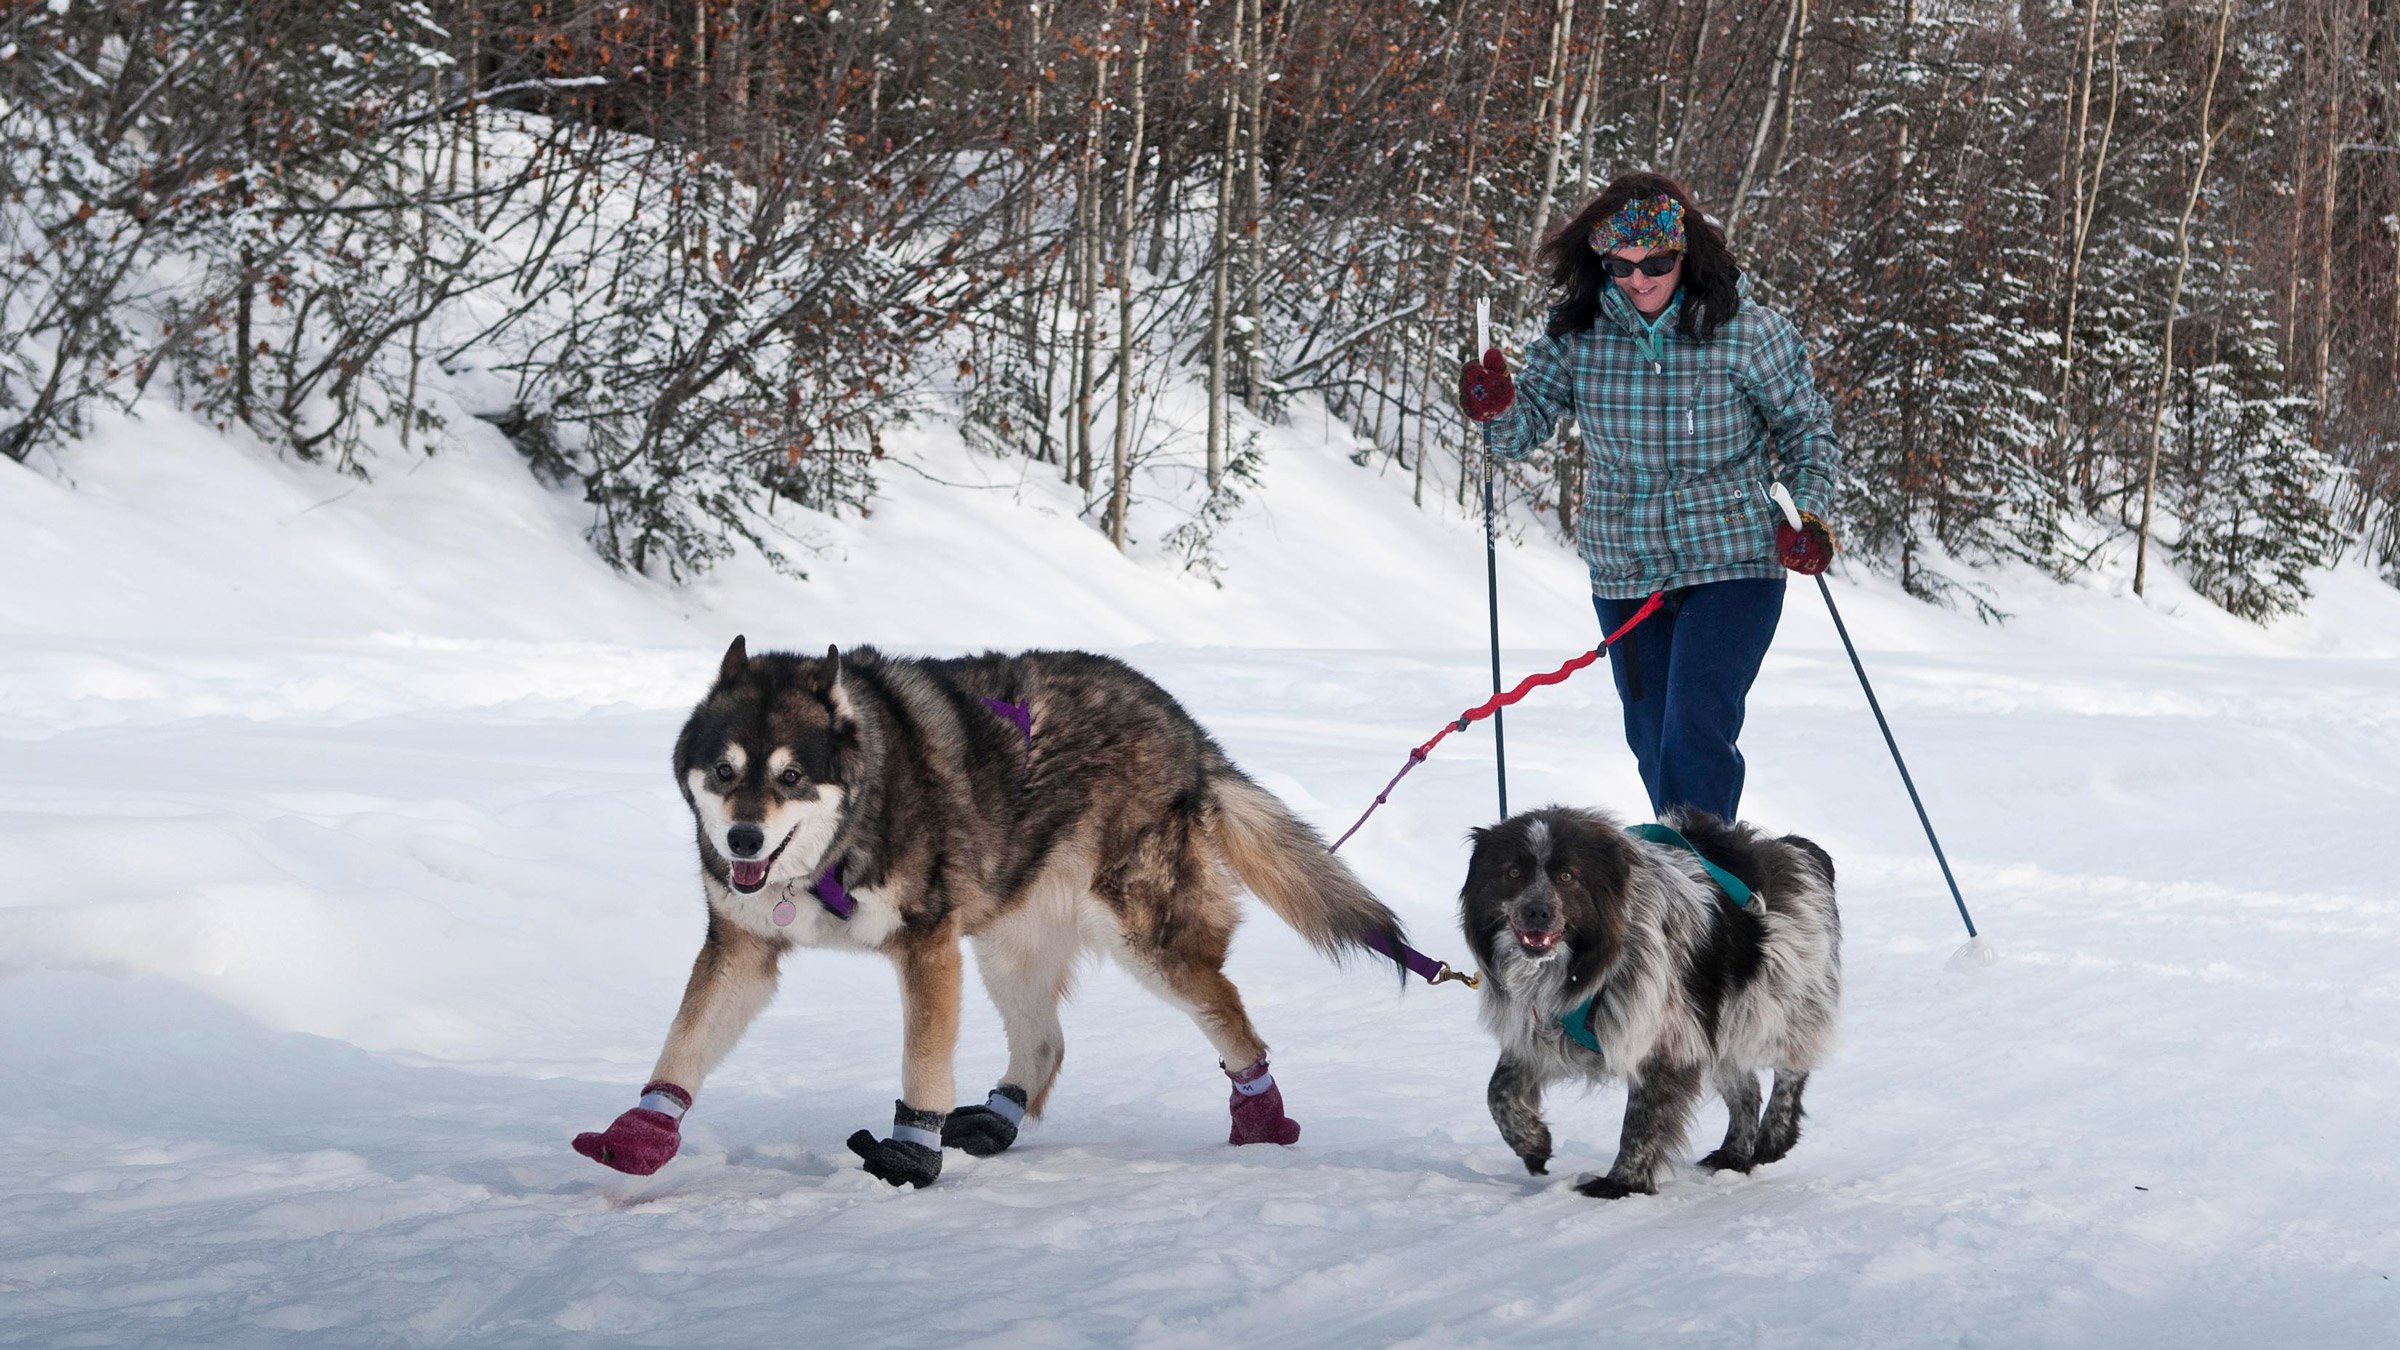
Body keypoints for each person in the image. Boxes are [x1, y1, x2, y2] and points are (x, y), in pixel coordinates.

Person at [1459, 172, 1840, 825]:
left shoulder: (1750, 333)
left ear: (1686, 254)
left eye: (1656, 263)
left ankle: (1708, 892)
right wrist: (1495, 408)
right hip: (1625, 567)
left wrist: (1807, 515)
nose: (1639, 279)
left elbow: (1807, 432)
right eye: (1620, 265)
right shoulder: (1576, 338)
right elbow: (1519, 435)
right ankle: (1690, 882)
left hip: (1734, 560)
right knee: (1651, 739)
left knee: (1695, 727)